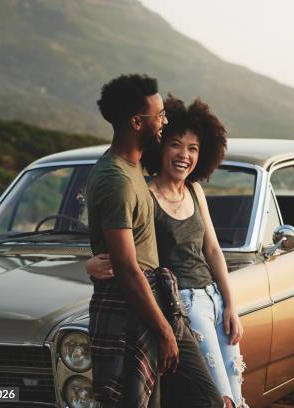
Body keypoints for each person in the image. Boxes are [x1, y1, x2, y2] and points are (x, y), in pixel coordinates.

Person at [87, 95, 248, 407]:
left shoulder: (195, 190)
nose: (183, 155)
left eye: (193, 148)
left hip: (213, 298)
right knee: (217, 396)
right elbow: (119, 245)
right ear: (160, 146)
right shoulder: (145, 192)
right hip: (182, 304)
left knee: (236, 389)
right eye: (175, 144)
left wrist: (230, 305)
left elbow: (213, 250)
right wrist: (90, 263)